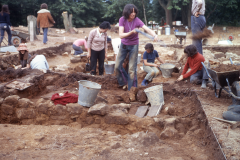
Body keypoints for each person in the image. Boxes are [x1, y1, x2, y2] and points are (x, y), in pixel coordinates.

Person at [115, 4, 159, 90]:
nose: (133, 14)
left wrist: (155, 35)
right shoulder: (122, 20)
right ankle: (124, 82)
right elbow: (121, 35)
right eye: (131, 12)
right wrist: (131, 32)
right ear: (127, 12)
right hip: (123, 45)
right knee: (117, 66)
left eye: (134, 12)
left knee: (131, 69)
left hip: (134, 46)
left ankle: (132, 89)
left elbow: (147, 29)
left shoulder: (137, 20)